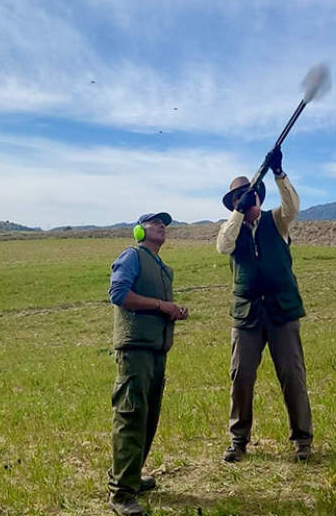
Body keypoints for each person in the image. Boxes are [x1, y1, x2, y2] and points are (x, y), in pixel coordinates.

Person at [216, 147, 313, 463]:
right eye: (241, 199)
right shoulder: (231, 229)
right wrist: (238, 213)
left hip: (282, 311)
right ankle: (238, 440)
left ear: (259, 196)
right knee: (241, 376)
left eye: (252, 196)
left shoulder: (277, 221)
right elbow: (223, 246)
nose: (249, 202)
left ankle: (302, 440)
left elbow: (293, 207)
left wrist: (279, 174)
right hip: (246, 315)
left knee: (292, 375)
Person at [107, 212, 189, 516]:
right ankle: (121, 494)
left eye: (164, 222)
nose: (161, 226)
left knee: (148, 417)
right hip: (135, 350)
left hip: (157, 350)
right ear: (139, 230)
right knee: (130, 417)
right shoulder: (132, 256)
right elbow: (118, 294)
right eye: (154, 222)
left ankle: (131, 477)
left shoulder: (163, 268)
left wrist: (174, 311)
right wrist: (160, 305)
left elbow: (157, 304)